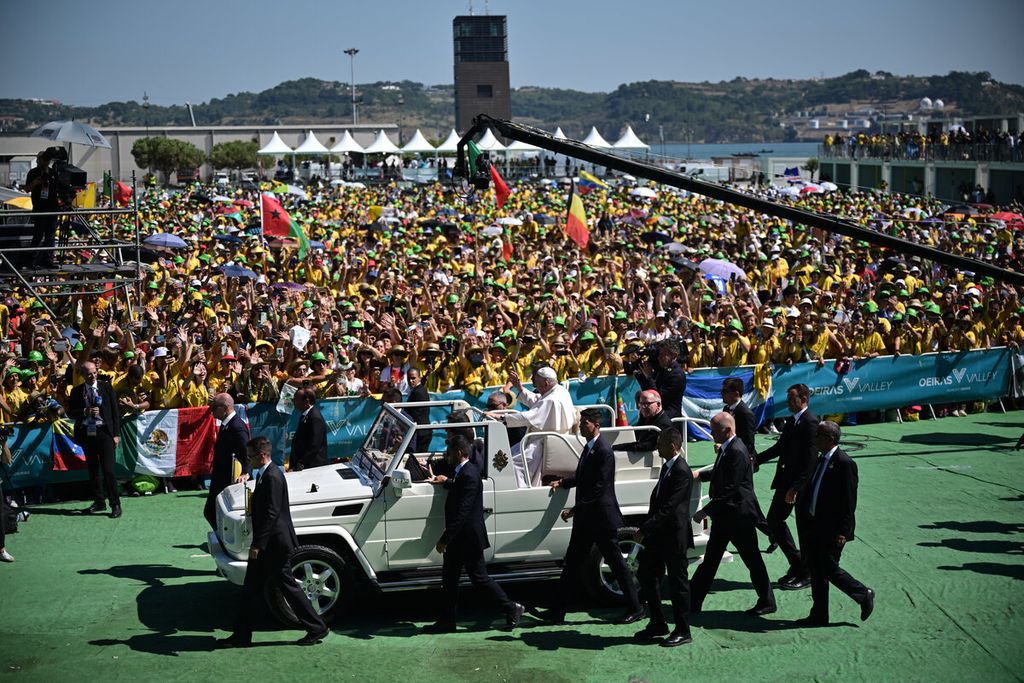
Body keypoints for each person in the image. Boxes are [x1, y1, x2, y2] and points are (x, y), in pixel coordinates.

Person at [530, 408, 644, 625]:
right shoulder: (591, 448)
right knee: (572, 563)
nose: (581, 427)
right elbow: (584, 476)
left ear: (596, 425)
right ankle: (557, 611)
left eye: (585, 424)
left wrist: (575, 509)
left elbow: (599, 487)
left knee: (617, 563)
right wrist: (564, 482)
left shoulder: (603, 451)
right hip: (587, 520)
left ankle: (636, 607)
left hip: (601, 519)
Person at [218, 437, 329, 647]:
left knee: (283, 587)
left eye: (250, 457)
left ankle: (316, 627)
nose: (248, 461)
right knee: (256, 588)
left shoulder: (272, 477)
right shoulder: (267, 474)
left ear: (262, 455)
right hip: (270, 543)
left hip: (272, 545)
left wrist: (258, 545)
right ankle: (242, 634)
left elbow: (271, 513)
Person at [422, 435, 524, 633]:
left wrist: (445, 539)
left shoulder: (468, 474)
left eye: (449, 453)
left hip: (467, 538)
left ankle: (511, 607)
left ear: (459, 453)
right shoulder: (464, 472)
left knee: (479, 578)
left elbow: (462, 511)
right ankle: (447, 621)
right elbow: (460, 487)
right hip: (460, 537)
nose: (447, 457)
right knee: (449, 579)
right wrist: (445, 481)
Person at [690, 412, 776, 616]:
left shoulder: (736, 451)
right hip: (728, 516)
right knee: (711, 561)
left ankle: (767, 600)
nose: (711, 434)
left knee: (752, 560)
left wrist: (704, 511)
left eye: (714, 430)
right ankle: (693, 601)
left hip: (739, 517)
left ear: (728, 430)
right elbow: (722, 473)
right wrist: (701, 475)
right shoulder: (729, 448)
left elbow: (731, 489)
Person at [795, 421, 875, 626]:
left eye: (818, 435)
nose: (815, 439)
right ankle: (819, 614)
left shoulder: (844, 463)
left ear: (830, 439)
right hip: (815, 524)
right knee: (818, 569)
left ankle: (862, 593)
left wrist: (843, 531)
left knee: (828, 567)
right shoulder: (821, 460)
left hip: (832, 529)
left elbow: (849, 501)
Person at [633, 428, 694, 647]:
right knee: (646, 574)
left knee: (678, 584)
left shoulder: (681, 471)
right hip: (660, 536)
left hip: (674, 537)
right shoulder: (668, 468)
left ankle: (683, 630)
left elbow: (669, 507)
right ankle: (658, 622)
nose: (657, 446)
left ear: (673, 446)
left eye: (661, 443)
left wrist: (645, 527)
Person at [756, 383, 819, 590]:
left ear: (804, 399)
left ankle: (807, 572)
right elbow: (780, 447)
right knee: (774, 520)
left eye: (792, 398)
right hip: (786, 482)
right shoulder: (793, 421)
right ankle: (799, 565)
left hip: (798, 486)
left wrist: (796, 487)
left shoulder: (810, 422)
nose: (789, 401)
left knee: (804, 529)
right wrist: (756, 459)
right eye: (788, 397)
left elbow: (810, 460)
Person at [488, 366, 574, 487]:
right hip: (548, 439)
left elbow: (529, 417)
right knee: (506, 455)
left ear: (546, 382)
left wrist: (502, 417)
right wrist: (519, 387)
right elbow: (538, 400)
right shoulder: (559, 390)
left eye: (537, 383)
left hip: (542, 442)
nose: (536, 387)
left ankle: (521, 493)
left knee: (512, 464)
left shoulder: (552, 399)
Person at [721, 377, 774, 549]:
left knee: (748, 503)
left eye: (725, 392)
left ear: (736, 394)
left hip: (742, 464)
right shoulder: (727, 410)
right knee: (746, 503)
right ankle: (772, 534)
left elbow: (749, 443)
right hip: (731, 460)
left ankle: (773, 534)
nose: (721, 395)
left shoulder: (745, 413)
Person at [68, 361, 122, 518]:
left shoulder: (106, 387)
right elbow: (71, 413)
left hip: (105, 432)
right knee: (93, 470)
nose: (92, 376)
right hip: (87, 433)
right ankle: (99, 502)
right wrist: (85, 411)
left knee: (109, 470)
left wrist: (116, 434)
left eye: (94, 372)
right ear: (83, 375)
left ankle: (115, 504)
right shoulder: (77, 391)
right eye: (89, 373)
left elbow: (114, 412)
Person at [204, 393, 250, 529]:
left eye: (214, 407)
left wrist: (246, 471)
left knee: (213, 512)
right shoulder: (227, 425)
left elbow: (245, 452)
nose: (211, 410)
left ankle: (225, 540)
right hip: (220, 477)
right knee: (212, 511)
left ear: (225, 408)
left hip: (228, 480)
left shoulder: (237, 427)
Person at [22, 148, 58, 269]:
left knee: (51, 236)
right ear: (39, 160)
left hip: (52, 208)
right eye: (44, 159)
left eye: (48, 159)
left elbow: (59, 187)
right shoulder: (33, 172)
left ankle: (47, 259)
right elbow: (27, 189)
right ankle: (31, 261)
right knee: (38, 235)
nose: (46, 161)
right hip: (39, 209)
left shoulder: (53, 172)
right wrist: (35, 183)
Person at [635, 339, 687, 419]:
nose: (659, 358)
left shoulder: (676, 374)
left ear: (674, 356)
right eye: (658, 354)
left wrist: (649, 377)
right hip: (652, 416)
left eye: (663, 355)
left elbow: (657, 396)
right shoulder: (661, 368)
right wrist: (641, 372)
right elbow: (646, 387)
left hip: (668, 419)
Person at [290, 388, 328, 472]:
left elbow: (314, 445)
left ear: (306, 402)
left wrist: (300, 465)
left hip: (311, 468)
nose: (293, 401)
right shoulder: (305, 415)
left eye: (295, 399)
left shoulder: (315, 418)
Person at [403, 368, 433, 453]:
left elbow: (415, 414)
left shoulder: (418, 392)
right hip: (422, 432)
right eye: (408, 378)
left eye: (413, 378)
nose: (410, 381)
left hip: (420, 433)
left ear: (419, 378)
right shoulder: (419, 390)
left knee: (417, 460)